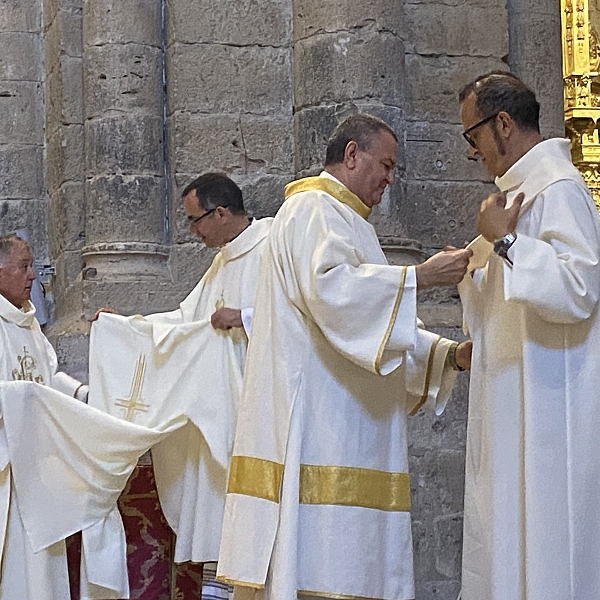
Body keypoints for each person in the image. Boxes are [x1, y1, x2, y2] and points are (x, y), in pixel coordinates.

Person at [216, 114, 473, 600]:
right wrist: (420, 276)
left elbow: (372, 319)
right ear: (352, 155)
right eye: (387, 164)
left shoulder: (348, 221)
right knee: (322, 568)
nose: (391, 179)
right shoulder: (313, 208)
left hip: (346, 427)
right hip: (321, 428)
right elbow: (334, 294)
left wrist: (449, 355)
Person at [92, 173, 273, 599]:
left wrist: (244, 317)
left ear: (222, 213)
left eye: (196, 221)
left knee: (246, 501)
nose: (193, 232)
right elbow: (186, 320)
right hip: (220, 405)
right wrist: (128, 326)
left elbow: (301, 313)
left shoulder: (272, 247)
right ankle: (220, 584)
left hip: (260, 403)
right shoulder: (223, 261)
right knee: (216, 490)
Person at [457, 71, 600, 600]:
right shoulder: (516, 194)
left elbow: (580, 286)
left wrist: (508, 242)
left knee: (546, 546)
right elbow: (501, 295)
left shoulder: (559, 188)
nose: (472, 153)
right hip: (513, 398)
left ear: (504, 123)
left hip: (548, 404)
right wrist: (470, 271)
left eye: (473, 137)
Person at [0, 235, 87, 598]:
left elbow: (48, 376)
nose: (32, 275)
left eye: (32, 265)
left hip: (37, 463)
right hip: (10, 469)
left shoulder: (27, 323)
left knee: (43, 572)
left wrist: (82, 395)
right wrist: (25, 399)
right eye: (23, 266)